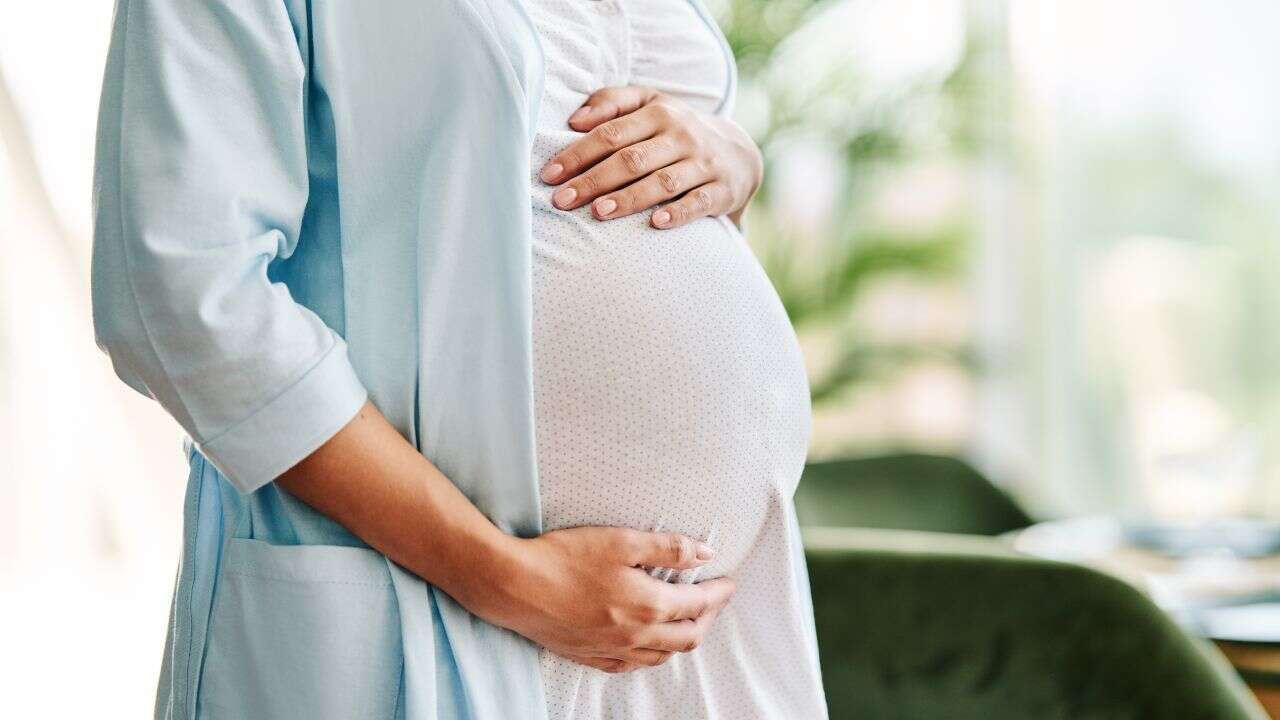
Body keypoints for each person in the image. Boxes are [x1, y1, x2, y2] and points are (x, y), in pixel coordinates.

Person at [91, 0, 827, 718]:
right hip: (441, 603)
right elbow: (182, 294)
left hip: (693, 646)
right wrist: (502, 577)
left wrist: (734, 159)